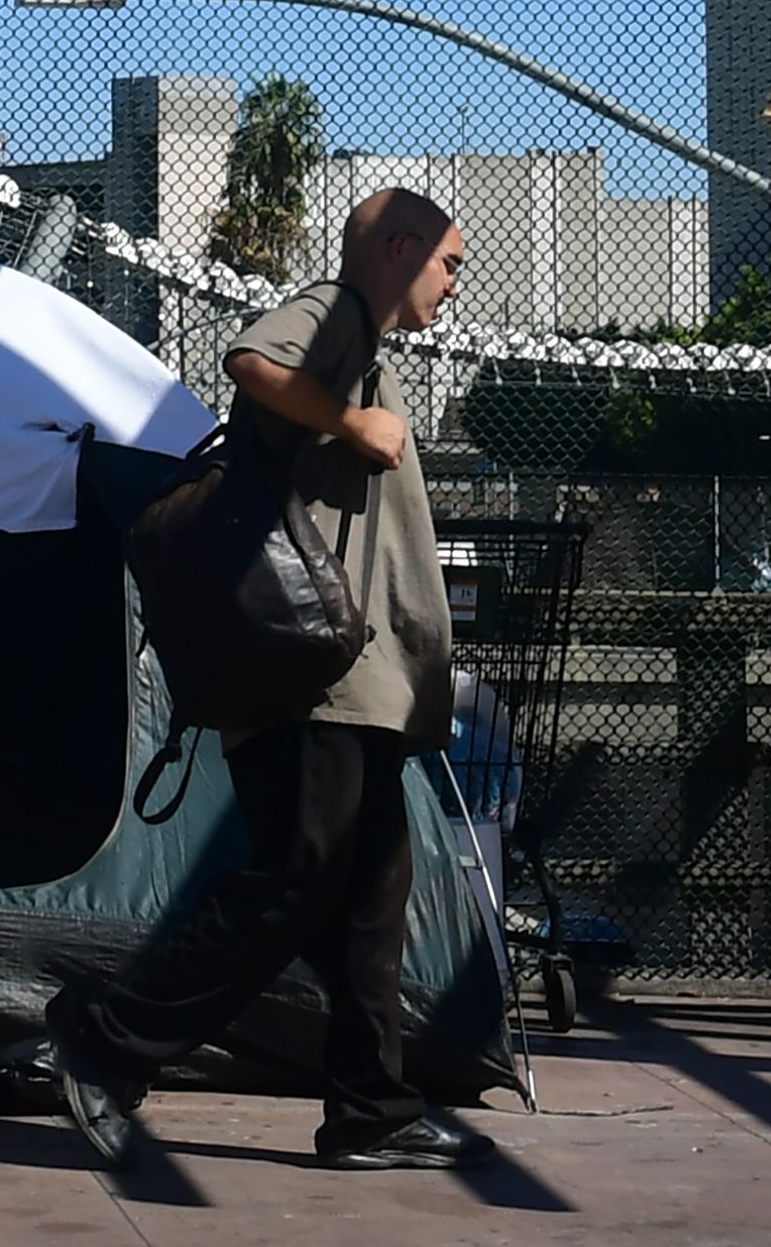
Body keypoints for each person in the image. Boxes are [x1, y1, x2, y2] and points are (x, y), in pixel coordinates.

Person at [49, 183, 483, 1173]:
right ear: (399, 244)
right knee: (294, 875)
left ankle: (373, 1107)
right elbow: (253, 360)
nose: (454, 284)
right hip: (317, 680)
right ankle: (107, 1043)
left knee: (369, 896)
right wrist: (351, 423)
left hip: (362, 683)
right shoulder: (339, 312)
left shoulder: (367, 345)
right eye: (450, 262)